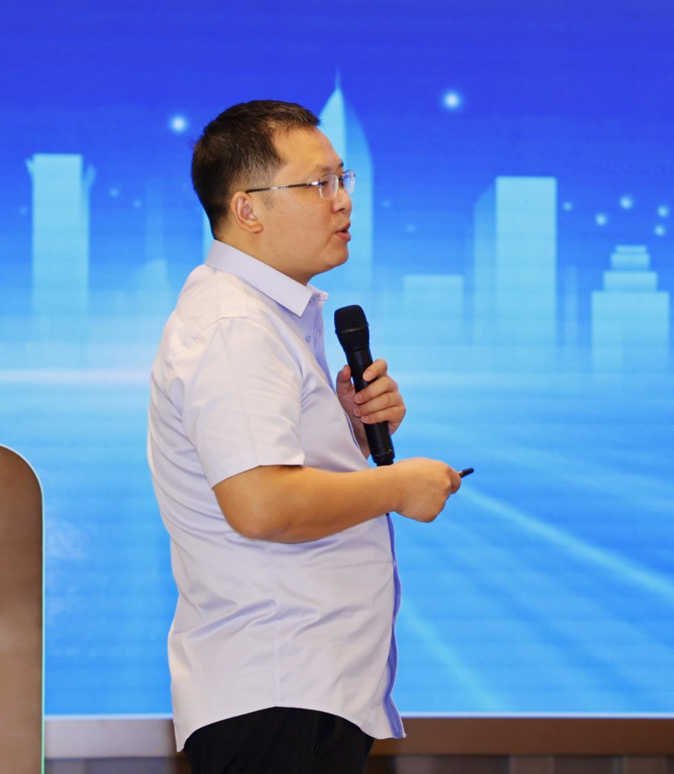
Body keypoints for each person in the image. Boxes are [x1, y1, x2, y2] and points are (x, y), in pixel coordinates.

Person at [147, 99, 462, 773]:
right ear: (247, 209)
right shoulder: (235, 325)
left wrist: (343, 430)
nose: (342, 201)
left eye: (343, 179)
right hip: (277, 696)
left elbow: (270, 479)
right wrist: (397, 486)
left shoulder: (265, 316)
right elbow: (262, 504)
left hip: (296, 694)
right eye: (318, 184)